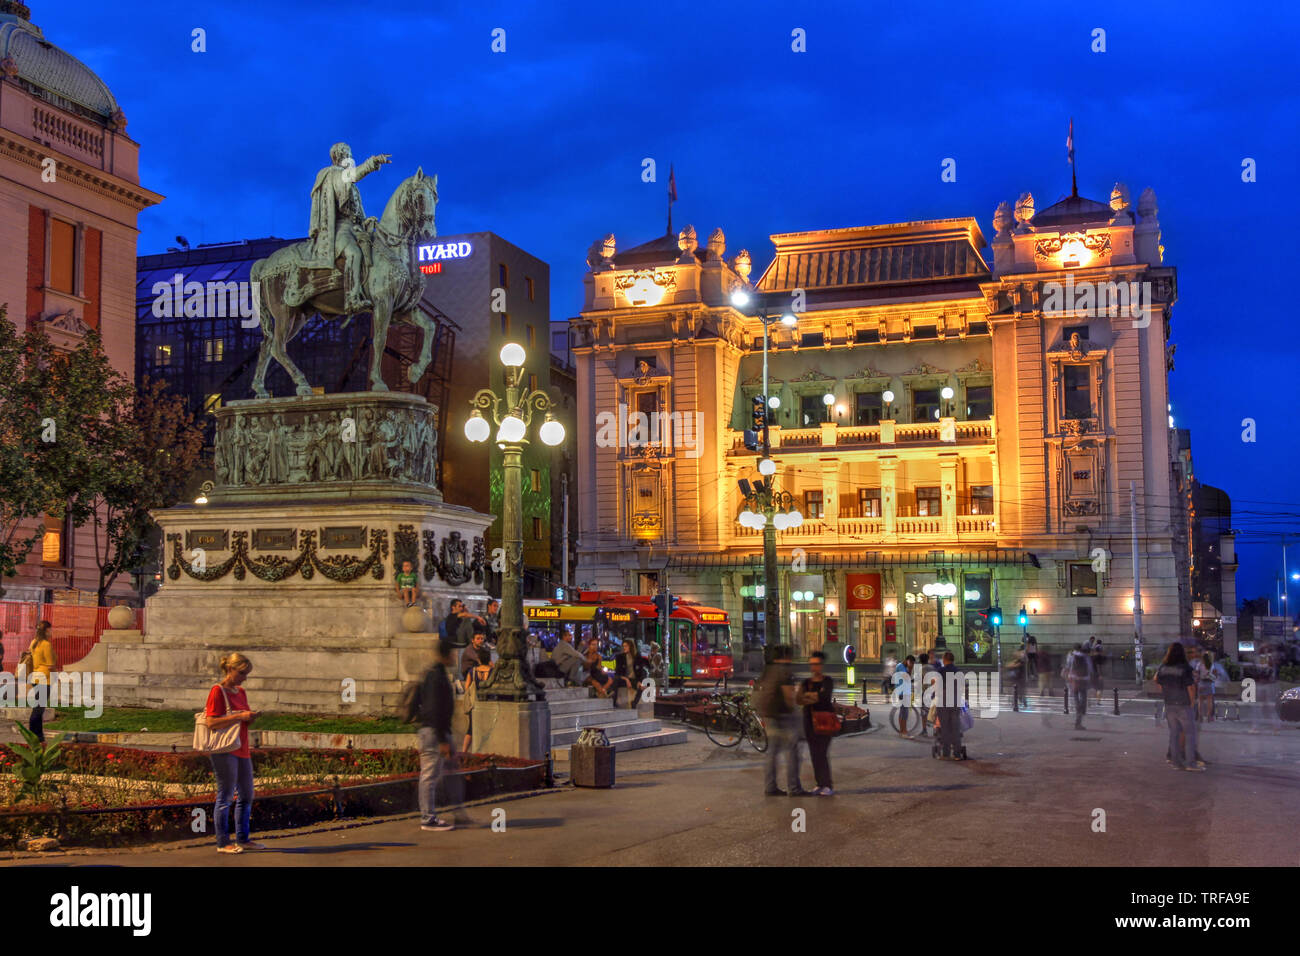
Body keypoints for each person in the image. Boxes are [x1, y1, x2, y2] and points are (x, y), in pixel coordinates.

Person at [205, 653, 264, 853]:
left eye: (246, 673)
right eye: (241, 673)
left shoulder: (241, 692)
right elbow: (211, 722)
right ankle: (223, 842)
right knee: (226, 795)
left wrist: (249, 718)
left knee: (247, 795)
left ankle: (242, 838)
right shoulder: (217, 691)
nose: (244, 677)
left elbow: (240, 718)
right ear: (230, 670)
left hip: (242, 747)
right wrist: (240, 716)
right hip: (224, 749)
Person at [416, 639, 458, 830]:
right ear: (446, 655)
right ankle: (428, 818)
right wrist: (442, 739)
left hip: (434, 731)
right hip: (433, 732)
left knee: (435, 775)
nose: (455, 656)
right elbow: (434, 709)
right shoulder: (436, 676)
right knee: (429, 776)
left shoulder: (436, 673)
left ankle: (434, 813)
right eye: (453, 653)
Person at [757, 645, 804, 796]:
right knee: (793, 751)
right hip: (783, 716)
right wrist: (796, 712)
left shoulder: (768, 669)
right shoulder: (785, 671)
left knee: (772, 752)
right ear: (786, 656)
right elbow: (789, 696)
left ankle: (770, 787)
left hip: (769, 715)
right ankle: (794, 788)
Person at [1155, 642, 1203, 772]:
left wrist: (1165, 692)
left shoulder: (1163, 667)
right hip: (1183, 704)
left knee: (1174, 734)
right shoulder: (1185, 668)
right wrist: (1192, 702)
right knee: (1189, 734)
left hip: (1169, 704)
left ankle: (1176, 763)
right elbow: (1191, 687)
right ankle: (1190, 763)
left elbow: (1156, 680)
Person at [799, 651, 836, 795]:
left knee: (822, 752)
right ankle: (819, 783)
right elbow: (799, 699)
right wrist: (813, 696)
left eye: (816, 664)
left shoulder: (828, 681)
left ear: (822, 665)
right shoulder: (806, 682)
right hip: (809, 721)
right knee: (814, 753)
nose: (814, 667)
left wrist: (810, 696)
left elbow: (824, 697)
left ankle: (827, 784)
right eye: (812, 664)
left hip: (825, 721)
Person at [26, 621, 58, 743]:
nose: (52, 631)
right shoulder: (46, 644)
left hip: (35, 677)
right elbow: (50, 665)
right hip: (45, 679)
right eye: (50, 629)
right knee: (39, 709)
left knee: (38, 707)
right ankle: (33, 733)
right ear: (46, 631)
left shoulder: (34, 643)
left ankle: (38, 735)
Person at [935, 651, 965, 759]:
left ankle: (946, 753)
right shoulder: (958, 671)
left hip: (943, 701)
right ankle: (957, 754)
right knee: (955, 728)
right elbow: (962, 687)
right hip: (955, 701)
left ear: (944, 660)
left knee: (945, 728)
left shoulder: (941, 671)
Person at [1062, 643, 1093, 729]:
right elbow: (1090, 669)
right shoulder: (1086, 657)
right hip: (1084, 680)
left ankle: (1078, 709)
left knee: (1075, 696)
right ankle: (1081, 713)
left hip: (1074, 680)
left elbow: (1067, 667)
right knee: (1083, 696)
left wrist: (1067, 675)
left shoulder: (1071, 656)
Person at [612, 638, 649, 708]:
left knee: (642, 687)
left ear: (631, 647)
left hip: (633, 679)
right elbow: (617, 673)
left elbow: (641, 671)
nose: (624, 648)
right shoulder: (620, 657)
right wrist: (626, 680)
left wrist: (639, 682)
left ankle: (634, 704)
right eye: (623, 646)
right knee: (616, 680)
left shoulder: (637, 656)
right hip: (624, 679)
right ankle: (613, 702)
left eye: (626, 646)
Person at [893, 655, 916, 735]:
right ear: (907, 660)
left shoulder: (904, 667)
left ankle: (902, 730)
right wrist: (910, 668)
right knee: (904, 713)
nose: (912, 665)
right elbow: (907, 678)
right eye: (911, 663)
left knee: (902, 712)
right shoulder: (900, 666)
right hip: (902, 692)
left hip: (904, 692)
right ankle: (904, 731)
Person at [1089, 638, 1105, 704]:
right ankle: (1098, 701)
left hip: (1091, 673)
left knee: (1093, 687)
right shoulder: (1099, 657)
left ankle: (1090, 700)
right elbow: (1098, 666)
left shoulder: (1092, 656)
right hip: (1097, 674)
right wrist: (1100, 675)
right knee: (1099, 688)